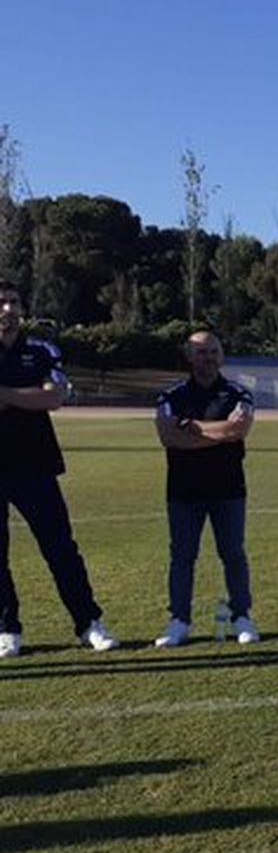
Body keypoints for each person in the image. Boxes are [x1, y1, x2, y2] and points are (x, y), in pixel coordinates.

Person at [0, 281, 118, 659]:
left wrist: (4, 395)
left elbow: (55, 396)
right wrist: (26, 396)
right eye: (1, 303)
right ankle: (7, 628)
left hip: (35, 466)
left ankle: (88, 623)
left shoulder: (41, 349)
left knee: (61, 549)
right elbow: (41, 396)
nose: (8, 310)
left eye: (14, 302)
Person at [153, 330, 258, 647]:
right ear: (189, 356)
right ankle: (179, 620)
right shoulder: (171, 396)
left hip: (229, 489)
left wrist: (193, 428)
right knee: (182, 557)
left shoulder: (238, 393)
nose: (208, 357)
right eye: (201, 352)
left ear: (221, 355)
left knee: (234, 554)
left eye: (213, 351)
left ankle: (242, 616)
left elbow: (238, 430)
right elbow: (169, 437)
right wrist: (219, 432)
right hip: (184, 492)